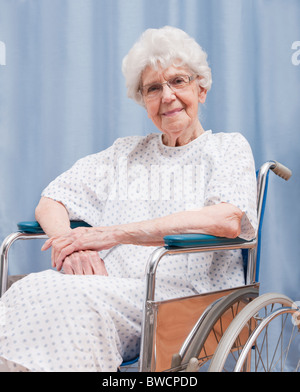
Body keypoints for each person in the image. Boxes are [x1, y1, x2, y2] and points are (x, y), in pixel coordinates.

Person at [0, 26, 257, 372]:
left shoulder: (227, 148)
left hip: (178, 295)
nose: (167, 96)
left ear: (202, 88)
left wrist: (114, 234)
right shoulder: (126, 153)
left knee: (73, 303)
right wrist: (70, 245)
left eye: (178, 81)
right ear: (143, 100)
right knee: (29, 290)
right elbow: (52, 200)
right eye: (153, 88)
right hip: (105, 287)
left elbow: (226, 220)